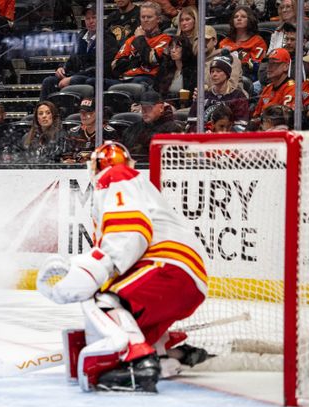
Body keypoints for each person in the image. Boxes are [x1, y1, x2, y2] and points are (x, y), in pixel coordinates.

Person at [36, 141, 208, 393]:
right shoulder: (135, 182)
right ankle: (166, 354)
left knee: (104, 302)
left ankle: (139, 362)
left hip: (168, 268)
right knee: (124, 311)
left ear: (95, 167)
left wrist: (91, 271)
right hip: (184, 277)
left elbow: (130, 231)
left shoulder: (115, 176)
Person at [39, 4, 119, 99]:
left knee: (77, 80)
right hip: (78, 76)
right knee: (49, 81)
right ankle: (44, 109)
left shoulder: (108, 39)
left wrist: (72, 78)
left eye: (94, 17)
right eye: (88, 18)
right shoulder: (81, 36)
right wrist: (62, 68)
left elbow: (101, 68)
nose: (91, 21)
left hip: (95, 78)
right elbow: (72, 59)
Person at [111, 1, 172, 87]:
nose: (145, 20)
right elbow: (114, 65)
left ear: (158, 19)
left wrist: (140, 39)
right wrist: (140, 60)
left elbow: (152, 60)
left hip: (146, 79)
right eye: (143, 17)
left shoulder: (165, 39)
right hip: (125, 79)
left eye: (149, 17)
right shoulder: (131, 39)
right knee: (93, 82)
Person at [189, 54, 249, 132]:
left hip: (229, 141)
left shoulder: (238, 96)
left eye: (218, 71)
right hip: (205, 140)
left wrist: (223, 134)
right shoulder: (203, 95)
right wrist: (205, 132)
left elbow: (241, 127)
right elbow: (191, 123)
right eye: (212, 71)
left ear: (227, 74)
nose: (214, 74)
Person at [122, 90, 181, 161]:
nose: (144, 111)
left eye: (149, 107)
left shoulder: (173, 130)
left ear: (161, 108)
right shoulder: (132, 129)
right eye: (143, 107)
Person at [218, 6, 267, 81]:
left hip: (247, 79)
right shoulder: (224, 42)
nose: (239, 19)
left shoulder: (257, 41)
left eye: (243, 16)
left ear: (250, 20)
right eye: (236, 17)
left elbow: (256, 66)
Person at [62, 98, 117, 164]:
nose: (83, 115)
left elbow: (113, 158)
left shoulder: (109, 133)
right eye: (81, 112)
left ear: (99, 113)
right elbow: (66, 155)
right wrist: (69, 160)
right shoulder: (73, 133)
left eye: (88, 111)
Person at [251, 48, 295, 126]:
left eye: (274, 64)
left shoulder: (292, 88)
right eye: (269, 63)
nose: (269, 67)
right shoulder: (267, 88)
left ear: (286, 66)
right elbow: (256, 114)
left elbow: (285, 118)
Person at [155, 33, 197, 106]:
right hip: (163, 104)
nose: (173, 50)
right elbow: (155, 89)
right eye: (171, 47)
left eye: (177, 47)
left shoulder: (193, 71)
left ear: (185, 49)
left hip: (183, 107)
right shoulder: (165, 68)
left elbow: (191, 97)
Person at [205, 26, 242, 92]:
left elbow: (231, 86)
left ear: (215, 41)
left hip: (233, 99)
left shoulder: (229, 58)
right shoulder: (194, 61)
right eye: (198, 40)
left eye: (206, 40)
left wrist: (205, 91)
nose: (202, 43)